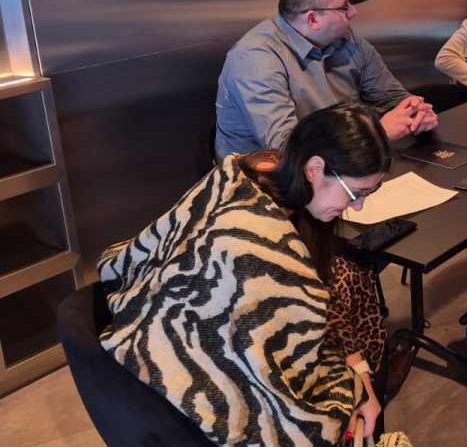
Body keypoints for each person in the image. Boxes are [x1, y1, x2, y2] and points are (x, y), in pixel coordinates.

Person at [98, 105, 407, 446]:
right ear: (315, 169)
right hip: (178, 378)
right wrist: (349, 392)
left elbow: (312, 309)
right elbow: (261, 380)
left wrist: (358, 376)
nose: (358, 206)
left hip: (179, 342)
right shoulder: (256, 245)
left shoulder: (270, 184)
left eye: (367, 194)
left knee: (352, 282)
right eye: (356, 194)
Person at [215, 0, 437, 158]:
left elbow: (392, 98)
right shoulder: (255, 57)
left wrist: (416, 112)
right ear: (313, 19)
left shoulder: (348, 40)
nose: (354, 12)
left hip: (347, 164)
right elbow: (288, 150)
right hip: (267, 180)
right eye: (344, 7)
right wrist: (377, 135)